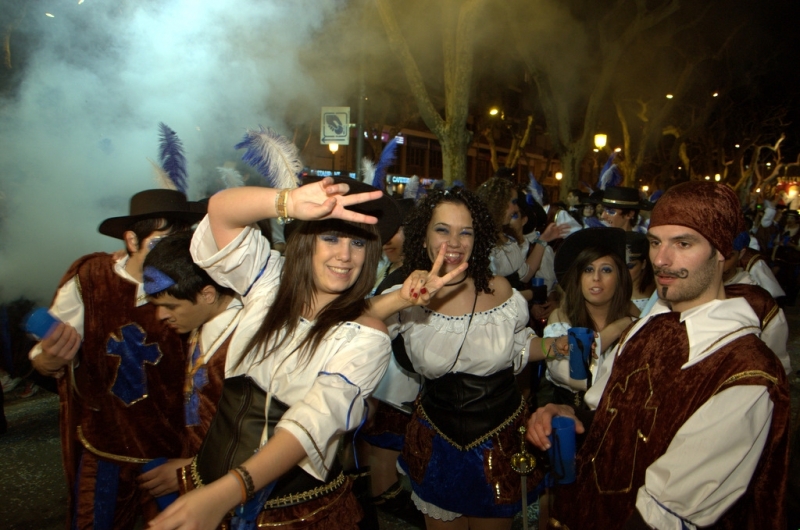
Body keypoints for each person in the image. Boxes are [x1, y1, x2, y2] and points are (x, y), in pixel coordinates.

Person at [148, 176, 439, 529]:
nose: (345, 255)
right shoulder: (268, 282)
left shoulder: (366, 336)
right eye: (330, 237)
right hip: (210, 493)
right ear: (305, 241)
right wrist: (287, 202)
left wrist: (226, 493)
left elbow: (311, 424)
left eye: (358, 243)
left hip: (292, 514)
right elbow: (221, 213)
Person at [526, 181, 790, 529]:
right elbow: (612, 417)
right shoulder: (648, 329)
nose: (661, 260)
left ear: (722, 251)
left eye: (683, 243)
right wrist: (568, 414)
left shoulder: (746, 371)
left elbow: (667, 512)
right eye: (655, 242)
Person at [371, 188, 555, 529]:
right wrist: (402, 299)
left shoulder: (501, 290)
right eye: (442, 229)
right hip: (437, 442)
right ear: (423, 235)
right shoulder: (406, 292)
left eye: (465, 232)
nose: (454, 243)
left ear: (477, 238)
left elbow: (517, 349)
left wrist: (557, 347)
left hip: (498, 442)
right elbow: (346, 325)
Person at [29, 189, 204, 529]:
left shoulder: (197, 283)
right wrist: (48, 360)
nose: (169, 254)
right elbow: (44, 357)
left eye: (179, 242)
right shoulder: (92, 280)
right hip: (106, 444)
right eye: (159, 242)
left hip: (172, 449)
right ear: (132, 241)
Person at [136, 231, 243, 500]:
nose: (160, 316)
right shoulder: (201, 323)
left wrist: (192, 471)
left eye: (170, 306)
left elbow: (264, 435)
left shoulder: (245, 342)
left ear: (207, 294)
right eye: (156, 305)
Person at [542, 228, 638, 408]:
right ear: (578, 278)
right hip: (573, 419)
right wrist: (617, 329)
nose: (596, 278)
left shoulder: (636, 319)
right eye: (588, 269)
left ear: (619, 278)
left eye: (606, 270)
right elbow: (574, 377)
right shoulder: (561, 318)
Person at [476, 178, 568, 298]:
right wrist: (532, 294)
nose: (516, 208)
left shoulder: (508, 240)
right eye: (514, 202)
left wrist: (543, 240)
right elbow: (489, 296)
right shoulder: (480, 242)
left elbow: (525, 275)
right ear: (499, 204)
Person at [625, 231, 655, 312]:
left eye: (630, 266)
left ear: (643, 264)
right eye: (619, 266)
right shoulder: (608, 292)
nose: (623, 271)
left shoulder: (657, 295)